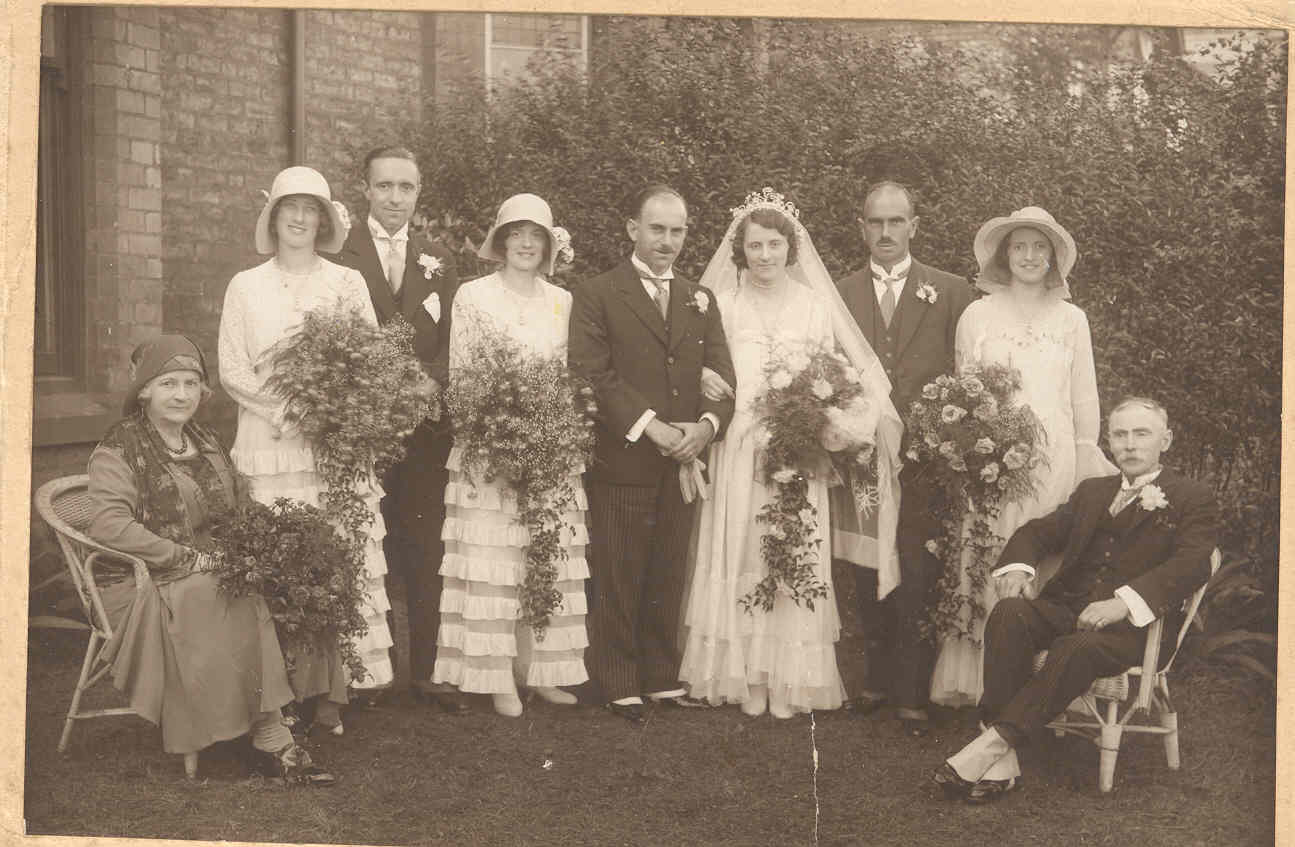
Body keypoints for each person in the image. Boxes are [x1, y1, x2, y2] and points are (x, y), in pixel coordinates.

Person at [678, 189, 904, 717]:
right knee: (743, 549)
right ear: (740, 251)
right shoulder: (723, 306)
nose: (764, 255)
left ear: (790, 248)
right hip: (739, 447)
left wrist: (828, 423)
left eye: (773, 244)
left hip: (799, 449)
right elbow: (699, 367)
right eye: (754, 245)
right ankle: (745, 678)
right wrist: (705, 377)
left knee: (795, 547)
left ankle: (788, 678)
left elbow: (840, 376)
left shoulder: (814, 306)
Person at [932, 397, 1217, 803]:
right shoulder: (1093, 491)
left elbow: (1193, 563)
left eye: (1142, 434)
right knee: (1010, 612)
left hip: (1133, 628)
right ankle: (1002, 754)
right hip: (1065, 608)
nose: (1130, 445)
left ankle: (991, 747)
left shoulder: (1192, 496)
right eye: (1120, 435)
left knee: (1076, 647)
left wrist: (1125, 601)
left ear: (1165, 441)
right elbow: (1038, 533)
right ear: (1109, 442)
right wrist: (1017, 568)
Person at [86, 334, 334, 784]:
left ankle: (284, 714)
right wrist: (185, 557)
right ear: (144, 390)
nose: (182, 395)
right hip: (142, 581)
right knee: (225, 589)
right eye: (168, 384)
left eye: (191, 383)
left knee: (298, 568)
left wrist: (274, 538)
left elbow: (238, 500)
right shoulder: (119, 448)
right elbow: (107, 526)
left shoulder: (204, 438)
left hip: (211, 567)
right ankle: (271, 734)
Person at [218, 165, 394, 733]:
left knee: (338, 555)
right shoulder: (246, 284)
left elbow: (368, 360)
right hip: (269, 443)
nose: (299, 217)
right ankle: (282, 690)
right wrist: (289, 409)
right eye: (289, 207)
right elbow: (230, 368)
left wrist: (329, 413)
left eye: (311, 208)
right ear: (273, 216)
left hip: (330, 445)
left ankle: (333, 694)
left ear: (324, 220)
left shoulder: (346, 283)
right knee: (280, 560)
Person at [928, 206, 1119, 708]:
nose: (1029, 256)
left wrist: (1083, 460)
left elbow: (1084, 398)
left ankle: (1044, 683)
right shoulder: (977, 315)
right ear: (1004, 255)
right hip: (993, 463)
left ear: (1054, 258)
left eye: (1039, 247)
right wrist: (973, 450)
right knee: (990, 553)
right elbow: (963, 390)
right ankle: (979, 681)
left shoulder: (1071, 320)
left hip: (1054, 459)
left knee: (1047, 559)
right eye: (1019, 247)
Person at [569, 185, 737, 723]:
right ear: (632, 229)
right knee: (620, 568)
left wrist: (706, 428)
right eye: (657, 229)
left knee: (668, 567)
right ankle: (617, 679)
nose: (667, 241)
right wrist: (653, 428)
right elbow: (595, 374)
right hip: (627, 455)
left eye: (678, 230)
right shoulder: (597, 292)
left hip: (683, 459)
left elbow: (724, 376)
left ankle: (660, 675)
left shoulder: (698, 297)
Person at [430, 193, 590, 717]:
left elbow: (567, 375)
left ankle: (540, 671)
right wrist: (496, 438)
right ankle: (495, 675)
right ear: (500, 241)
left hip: (548, 448)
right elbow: (465, 373)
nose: (526, 243)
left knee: (545, 556)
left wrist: (549, 435)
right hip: (489, 448)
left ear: (548, 245)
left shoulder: (562, 301)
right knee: (496, 560)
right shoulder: (473, 296)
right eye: (516, 233)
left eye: (536, 235)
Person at [836, 181, 974, 735]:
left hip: (926, 457)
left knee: (918, 566)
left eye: (897, 222)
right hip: (864, 456)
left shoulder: (951, 290)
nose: (886, 233)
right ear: (862, 227)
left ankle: (913, 688)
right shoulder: (840, 294)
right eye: (876, 223)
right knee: (866, 562)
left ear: (914, 225)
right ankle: (876, 678)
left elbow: (967, 374)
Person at [333, 146, 467, 714]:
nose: (394, 198)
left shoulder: (438, 259)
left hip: (424, 429)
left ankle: (429, 672)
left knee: (424, 546)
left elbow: (455, 339)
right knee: (367, 545)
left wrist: (431, 384)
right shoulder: (339, 254)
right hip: (362, 428)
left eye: (405, 188)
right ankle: (368, 672)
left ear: (418, 193)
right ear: (365, 189)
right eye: (384, 186)